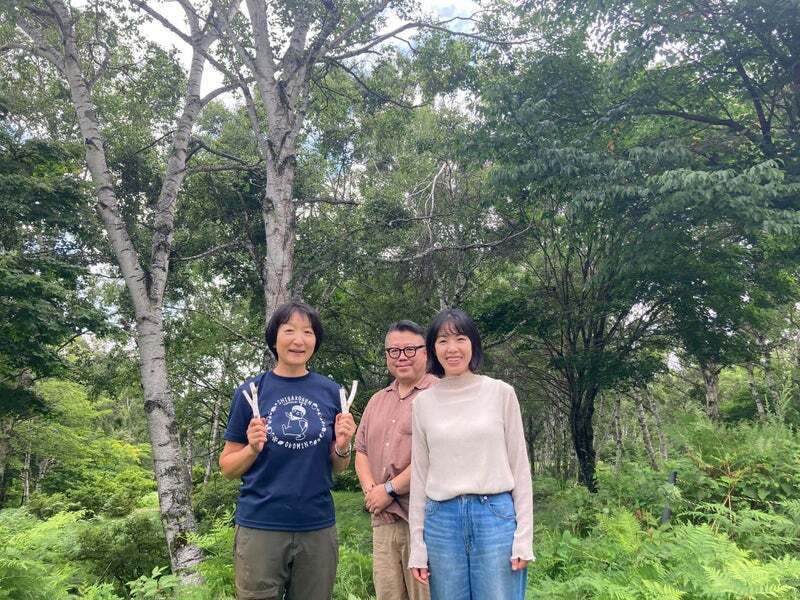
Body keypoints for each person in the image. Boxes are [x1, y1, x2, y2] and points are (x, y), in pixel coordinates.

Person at [219, 301, 356, 600]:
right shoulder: (251, 393)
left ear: (316, 340)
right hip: (261, 524)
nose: (299, 340)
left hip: (316, 525)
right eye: (289, 330)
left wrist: (343, 446)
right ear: (274, 338)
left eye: (308, 332)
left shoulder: (332, 392)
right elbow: (227, 467)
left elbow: (338, 466)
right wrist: (252, 449)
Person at [407, 308, 534, 600]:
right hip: (441, 521)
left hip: (495, 518)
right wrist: (417, 545)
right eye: (442, 340)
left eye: (460, 339)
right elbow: (420, 476)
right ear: (432, 349)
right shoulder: (423, 404)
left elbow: (520, 468)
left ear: (473, 344)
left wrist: (524, 537)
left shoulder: (501, 393)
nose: (452, 348)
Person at [355, 320, 437, 600]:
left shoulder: (439, 395)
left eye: (410, 349)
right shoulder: (377, 400)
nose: (401, 357)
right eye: (394, 351)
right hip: (384, 521)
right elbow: (361, 450)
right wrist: (372, 492)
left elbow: (435, 455)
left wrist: (389, 489)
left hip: (426, 522)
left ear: (426, 352)